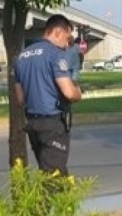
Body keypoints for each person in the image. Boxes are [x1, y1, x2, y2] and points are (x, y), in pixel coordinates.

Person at [14, 14, 82, 176]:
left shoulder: (21, 57)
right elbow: (68, 92)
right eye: (67, 38)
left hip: (33, 123)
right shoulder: (55, 54)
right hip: (52, 123)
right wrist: (78, 92)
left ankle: (54, 200)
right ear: (58, 31)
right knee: (54, 176)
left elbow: (20, 98)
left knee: (47, 171)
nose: (67, 45)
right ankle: (52, 201)